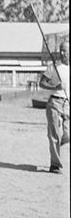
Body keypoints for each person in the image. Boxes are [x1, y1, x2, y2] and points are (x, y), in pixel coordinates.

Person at [39, 40, 69, 174]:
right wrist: (55, 87)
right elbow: (42, 83)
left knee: (67, 134)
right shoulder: (53, 67)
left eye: (65, 51)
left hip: (67, 104)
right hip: (54, 103)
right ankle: (55, 165)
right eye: (61, 50)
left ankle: (56, 144)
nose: (62, 53)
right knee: (54, 134)